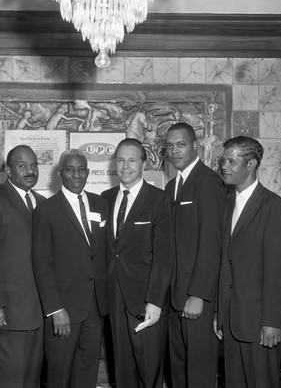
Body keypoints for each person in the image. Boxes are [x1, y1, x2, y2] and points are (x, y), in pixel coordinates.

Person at [214, 136, 281, 388]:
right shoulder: (226, 203)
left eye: (231, 161)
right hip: (232, 321)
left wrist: (271, 322)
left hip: (259, 324)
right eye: (223, 160)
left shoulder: (274, 207)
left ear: (251, 164)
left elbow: (277, 270)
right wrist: (219, 312)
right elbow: (226, 262)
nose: (224, 166)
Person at [31, 149, 108, 388]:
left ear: (88, 172)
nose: (76, 174)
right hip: (64, 310)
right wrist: (55, 309)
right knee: (59, 374)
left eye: (81, 169)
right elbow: (41, 262)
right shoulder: (46, 210)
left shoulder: (100, 203)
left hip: (95, 308)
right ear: (60, 173)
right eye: (70, 169)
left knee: (86, 373)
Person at [101, 138, 172, 388]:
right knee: (122, 370)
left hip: (145, 301)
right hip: (114, 298)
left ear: (143, 163)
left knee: (149, 369)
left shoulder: (159, 199)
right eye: (120, 160)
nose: (125, 166)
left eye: (132, 160)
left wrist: (155, 300)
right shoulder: (105, 198)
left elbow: (165, 257)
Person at [0, 145, 45, 388]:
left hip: (37, 314)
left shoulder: (42, 203)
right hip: (6, 315)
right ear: (9, 170)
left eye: (34, 165)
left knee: (30, 381)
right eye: (22, 165)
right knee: (6, 381)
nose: (30, 170)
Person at [164, 122, 226, 388]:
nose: (174, 151)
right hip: (174, 299)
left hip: (196, 299)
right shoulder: (171, 187)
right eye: (169, 146)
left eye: (181, 144)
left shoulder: (209, 182)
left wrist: (198, 294)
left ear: (195, 145)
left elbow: (212, 243)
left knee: (199, 374)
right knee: (178, 370)